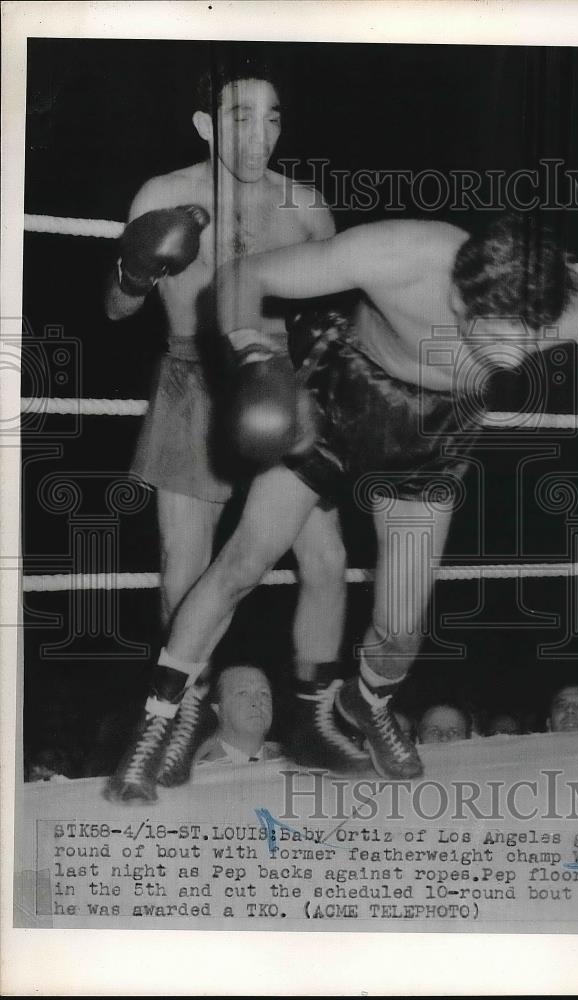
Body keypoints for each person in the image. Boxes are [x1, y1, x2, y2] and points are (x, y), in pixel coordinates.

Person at [107, 208, 578, 800]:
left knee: (403, 624)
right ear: (461, 298)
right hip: (339, 396)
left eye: (531, 338)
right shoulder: (403, 253)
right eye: (500, 335)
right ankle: (156, 721)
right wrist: (255, 356)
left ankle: (367, 704)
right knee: (244, 562)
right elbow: (249, 274)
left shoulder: (567, 305)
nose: (517, 356)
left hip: (438, 434)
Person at [103, 60, 348, 791]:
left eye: (272, 118)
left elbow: (332, 319)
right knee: (185, 564)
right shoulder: (164, 196)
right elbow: (115, 309)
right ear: (207, 126)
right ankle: (181, 718)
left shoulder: (305, 207)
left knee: (327, 561)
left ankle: (318, 716)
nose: (259, 135)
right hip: (191, 379)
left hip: (283, 385)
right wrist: (137, 273)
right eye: (240, 117)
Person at [193, 664, 275, 765]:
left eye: (264, 693)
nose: (257, 702)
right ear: (218, 709)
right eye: (243, 693)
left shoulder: (292, 762)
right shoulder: (192, 767)